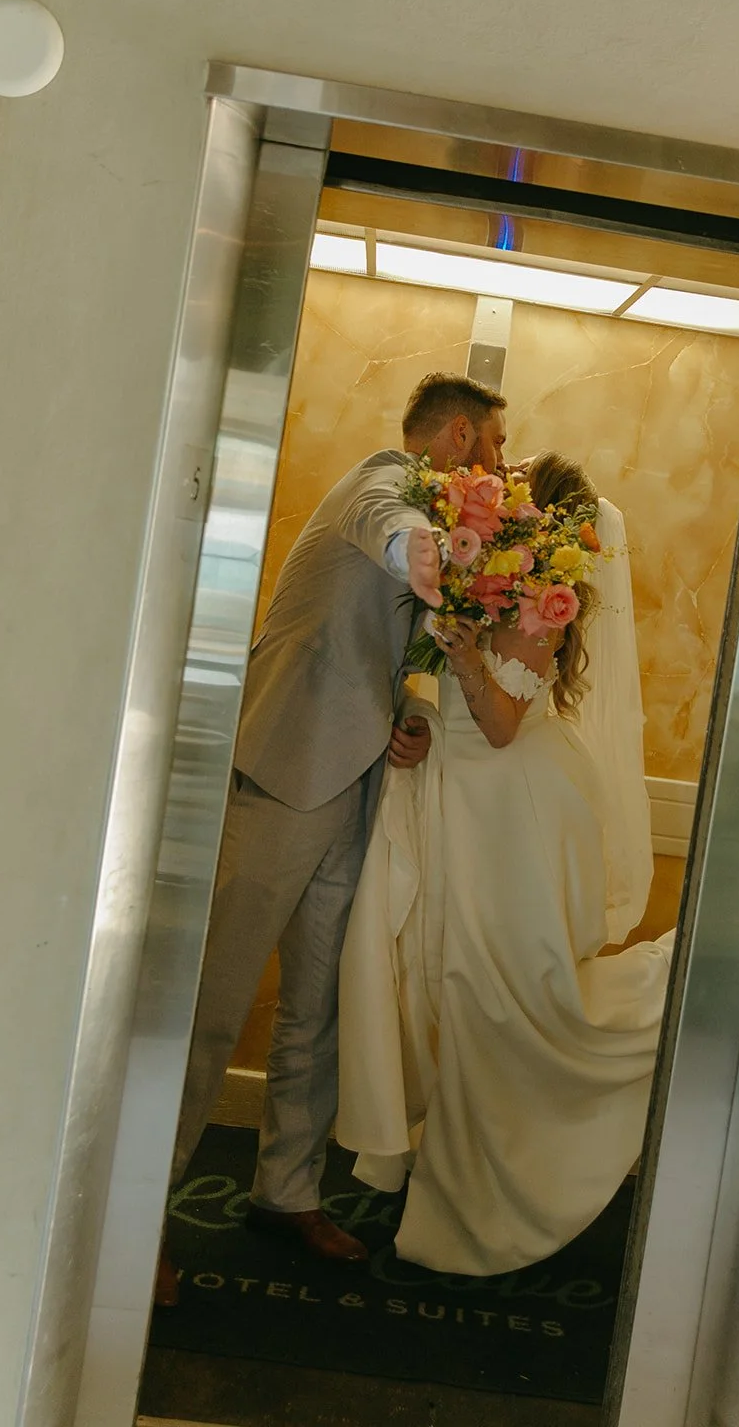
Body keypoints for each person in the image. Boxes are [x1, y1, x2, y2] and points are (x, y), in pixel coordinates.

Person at [155, 373, 508, 1303]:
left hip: (357, 788)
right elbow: (392, 529)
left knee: (316, 1009)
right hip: (280, 775)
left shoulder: (419, 501)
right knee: (212, 1007)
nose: (501, 470)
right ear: (460, 437)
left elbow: (396, 648)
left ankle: (285, 1193)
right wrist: (430, 551)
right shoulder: (379, 481)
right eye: (495, 451)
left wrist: (414, 713)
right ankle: (135, 1212)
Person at [335, 451, 676, 1276]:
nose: (500, 476)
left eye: (517, 477)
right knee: (459, 986)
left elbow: (496, 723)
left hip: (514, 812)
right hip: (467, 799)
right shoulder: (486, 574)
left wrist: (456, 654)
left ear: (542, 515)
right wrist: (417, 716)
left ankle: (484, 1199)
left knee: (496, 995)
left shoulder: (543, 597)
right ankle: (449, 1170)